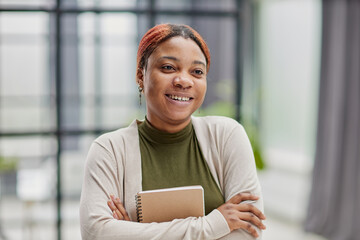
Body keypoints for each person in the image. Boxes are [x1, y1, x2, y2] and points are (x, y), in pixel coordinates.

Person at [79, 23, 266, 240]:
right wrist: (214, 224)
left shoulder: (227, 136)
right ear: (141, 75)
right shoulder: (109, 150)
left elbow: (247, 232)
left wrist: (135, 231)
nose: (183, 81)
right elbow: (97, 234)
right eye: (168, 67)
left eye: (197, 71)